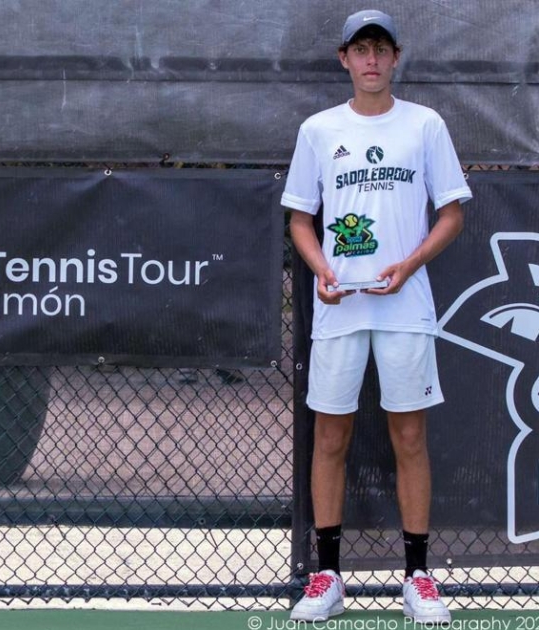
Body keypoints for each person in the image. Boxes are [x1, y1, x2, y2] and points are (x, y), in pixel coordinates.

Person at [281, 9, 471, 624]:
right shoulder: (317, 130)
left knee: (408, 435)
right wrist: (321, 271)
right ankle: (328, 576)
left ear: (394, 59)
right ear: (344, 59)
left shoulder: (425, 125)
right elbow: (300, 220)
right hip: (339, 309)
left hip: (405, 307)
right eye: (359, 49)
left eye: (380, 49)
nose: (370, 60)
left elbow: (452, 214)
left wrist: (410, 265)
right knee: (330, 437)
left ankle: (418, 578)